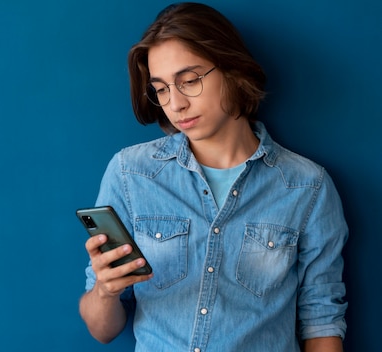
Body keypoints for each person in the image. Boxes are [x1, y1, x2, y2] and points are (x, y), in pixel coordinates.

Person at [78, 2, 348, 351]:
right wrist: (105, 290)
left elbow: (321, 320)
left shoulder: (307, 187)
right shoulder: (130, 174)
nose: (175, 104)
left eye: (189, 81)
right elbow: (102, 331)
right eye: (161, 89)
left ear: (233, 71)